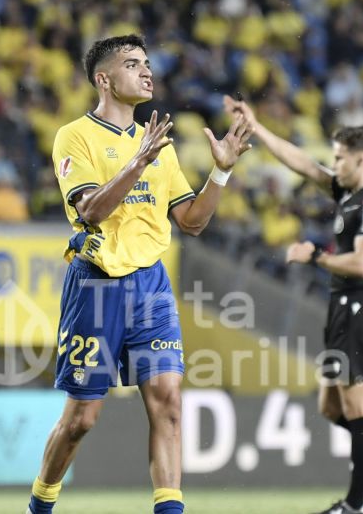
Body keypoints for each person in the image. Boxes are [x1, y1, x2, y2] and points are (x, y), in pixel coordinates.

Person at [26, 35, 252, 514]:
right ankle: (40, 506)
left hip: (151, 285)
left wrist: (220, 174)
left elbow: (191, 221)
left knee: (169, 402)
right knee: (81, 421)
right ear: (104, 79)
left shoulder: (159, 146)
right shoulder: (75, 136)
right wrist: (138, 161)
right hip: (97, 286)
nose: (147, 71)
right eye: (132, 64)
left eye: (147, 63)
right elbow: (90, 210)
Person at [224, 95, 363, 514]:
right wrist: (257, 128)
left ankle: (355, 505)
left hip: (361, 307)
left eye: (339, 158)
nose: (334, 165)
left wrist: (315, 255)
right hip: (342, 306)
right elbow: (304, 165)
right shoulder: (350, 195)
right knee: (332, 407)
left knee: (357, 409)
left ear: (360, 159)